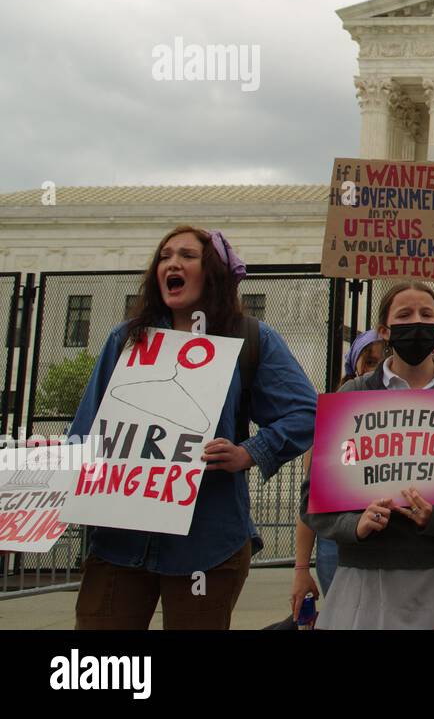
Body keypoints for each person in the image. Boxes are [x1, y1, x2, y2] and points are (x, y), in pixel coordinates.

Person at [68, 226, 317, 629]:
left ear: (214, 272)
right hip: (119, 543)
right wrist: (42, 507)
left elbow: (305, 412)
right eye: (165, 256)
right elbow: (83, 433)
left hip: (207, 544)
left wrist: (249, 452)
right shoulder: (126, 339)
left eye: (186, 255)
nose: (172, 263)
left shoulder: (251, 340)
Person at [303, 282, 434, 629]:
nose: (417, 322)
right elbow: (314, 498)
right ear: (384, 330)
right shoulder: (353, 395)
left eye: (427, 315)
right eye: (404, 314)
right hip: (368, 575)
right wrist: (355, 524)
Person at [280, 331, 384, 628]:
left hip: (388, 542)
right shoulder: (333, 418)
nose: (376, 369)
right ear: (354, 367)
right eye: (370, 361)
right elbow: (311, 502)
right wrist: (301, 569)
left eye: (384, 361)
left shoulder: (409, 414)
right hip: (336, 543)